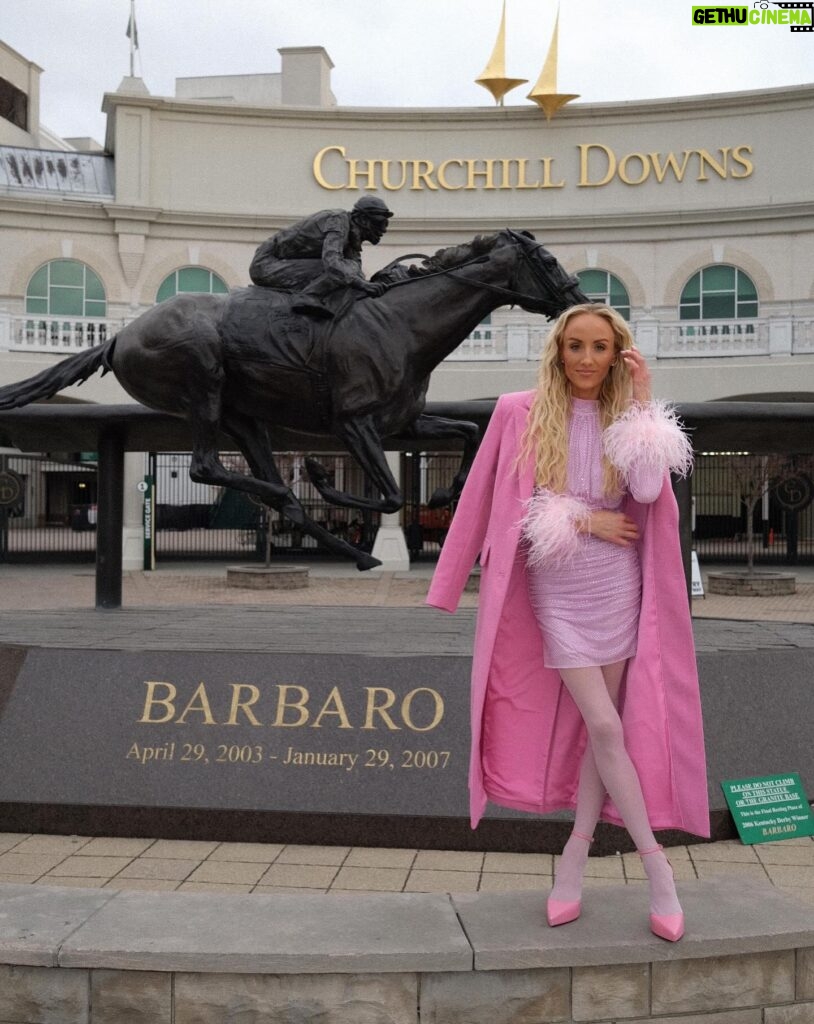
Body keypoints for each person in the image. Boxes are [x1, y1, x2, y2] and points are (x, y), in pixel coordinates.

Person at [426, 303, 709, 943]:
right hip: (557, 587)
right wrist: (584, 519)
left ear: (617, 354)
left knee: (597, 733)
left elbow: (641, 493)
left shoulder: (622, 412)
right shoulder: (516, 410)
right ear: (559, 350)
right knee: (606, 725)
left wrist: (642, 404)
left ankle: (574, 861)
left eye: (599, 348)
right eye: (575, 346)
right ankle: (657, 869)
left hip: (619, 586)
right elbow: (493, 499)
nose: (585, 359)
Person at [249, 196, 394, 317]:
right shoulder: (337, 221)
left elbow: (355, 270)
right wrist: (363, 284)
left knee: (350, 269)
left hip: (285, 264)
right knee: (342, 268)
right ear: (362, 220)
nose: (384, 229)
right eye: (380, 223)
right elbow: (332, 263)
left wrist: (372, 284)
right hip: (267, 265)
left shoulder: (353, 234)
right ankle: (307, 297)